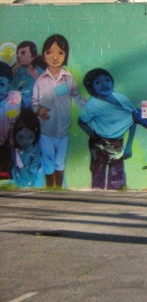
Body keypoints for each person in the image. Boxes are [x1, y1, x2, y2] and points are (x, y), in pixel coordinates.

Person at [78, 67, 147, 190]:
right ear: (91, 88)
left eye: (107, 80)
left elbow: (134, 121)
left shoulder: (122, 98)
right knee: (98, 173)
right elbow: (81, 122)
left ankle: (114, 196)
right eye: (98, 82)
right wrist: (93, 136)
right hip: (99, 143)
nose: (104, 85)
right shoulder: (92, 105)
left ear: (112, 82)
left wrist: (128, 146)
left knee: (116, 176)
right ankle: (97, 196)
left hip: (117, 142)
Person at [31, 34, 85, 188]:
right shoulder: (40, 80)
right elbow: (34, 102)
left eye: (60, 52)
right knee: (48, 161)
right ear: (44, 55)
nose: (55, 57)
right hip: (46, 130)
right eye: (49, 52)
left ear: (65, 55)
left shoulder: (68, 78)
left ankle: (58, 188)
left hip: (63, 130)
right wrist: (39, 110)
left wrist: (88, 108)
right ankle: (50, 188)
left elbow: (76, 96)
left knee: (60, 161)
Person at [0, 61, 23, 179]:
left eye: (1, 84)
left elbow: (14, 121)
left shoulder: (14, 99)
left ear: (9, 84)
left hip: (7, 144)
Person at [11, 109, 44, 188]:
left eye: (30, 136)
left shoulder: (35, 151)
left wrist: (21, 166)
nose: (25, 141)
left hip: (29, 179)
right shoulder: (16, 150)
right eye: (21, 137)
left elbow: (30, 175)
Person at [11, 40, 45, 109]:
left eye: (23, 53)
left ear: (33, 56)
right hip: (26, 110)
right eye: (18, 53)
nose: (18, 56)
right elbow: (11, 95)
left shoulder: (41, 71)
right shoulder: (17, 73)